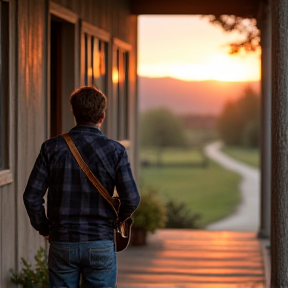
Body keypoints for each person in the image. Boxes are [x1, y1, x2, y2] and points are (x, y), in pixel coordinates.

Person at [23, 86, 140, 288]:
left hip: (62, 241)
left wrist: (46, 228)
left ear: (74, 113)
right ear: (102, 116)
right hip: (100, 241)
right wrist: (116, 220)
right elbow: (132, 199)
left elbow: (31, 197)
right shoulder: (116, 151)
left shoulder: (51, 148)